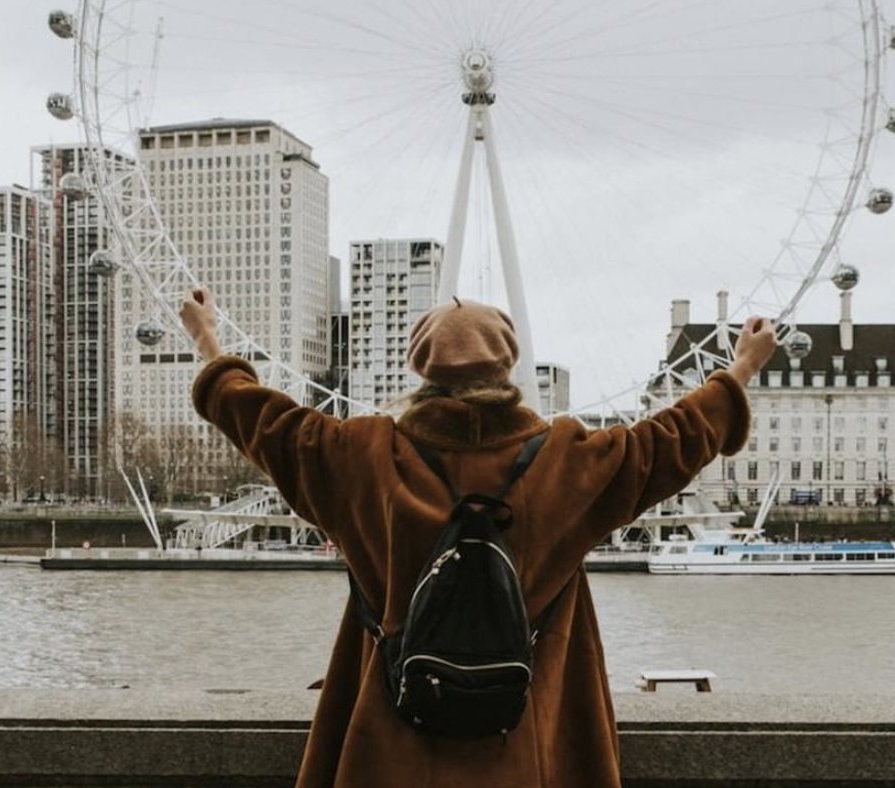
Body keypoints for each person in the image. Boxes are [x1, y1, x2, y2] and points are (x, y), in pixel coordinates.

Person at [181, 288, 776, 788]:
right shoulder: (570, 463)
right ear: (507, 367)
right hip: (531, 744)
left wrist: (208, 340)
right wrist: (742, 368)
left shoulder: (355, 456)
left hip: (389, 747)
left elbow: (258, 419)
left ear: (422, 370)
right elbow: (672, 439)